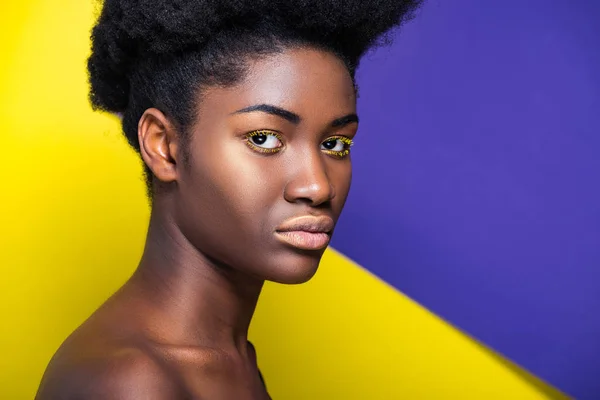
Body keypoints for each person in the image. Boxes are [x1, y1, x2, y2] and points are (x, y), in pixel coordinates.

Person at [35, 0, 421, 398]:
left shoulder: (229, 357)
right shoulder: (130, 382)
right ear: (164, 146)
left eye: (335, 143)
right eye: (264, 138)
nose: (318, 186)